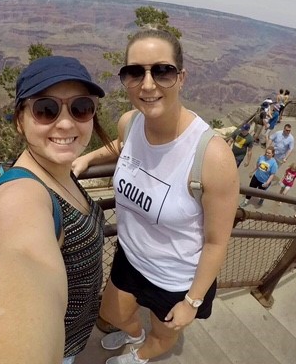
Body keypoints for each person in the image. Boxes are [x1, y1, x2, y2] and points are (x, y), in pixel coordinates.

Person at [72, 28, 238, 364]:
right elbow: (124, 148)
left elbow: (217, 241)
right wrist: (90, 157)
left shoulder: (211, 156)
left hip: (176, 277)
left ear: (181, 77)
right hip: (131, 257)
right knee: (112, 313)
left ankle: (140, 356)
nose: (147, 85)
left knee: (163, 336)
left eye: (161, 71)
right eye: (135, 72)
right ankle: (133, 334)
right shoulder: (130, 123)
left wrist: (192, 301)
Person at [0, 56, 117, 364]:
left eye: (81, 108)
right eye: (46, 109)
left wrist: (83, 160)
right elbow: (25, 260)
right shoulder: (21, 196)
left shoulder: (60, 169)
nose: (66, 122)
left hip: (75, 334)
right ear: (20, 119)